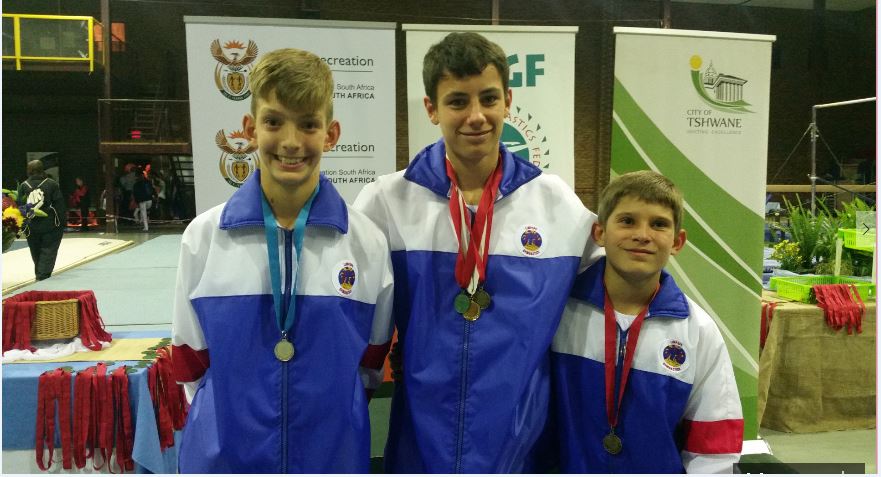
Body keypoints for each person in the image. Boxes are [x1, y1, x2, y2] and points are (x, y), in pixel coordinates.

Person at [353, 32, 600, 473]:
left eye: (488, 99)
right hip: (420, 442)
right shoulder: (387, 202)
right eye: (457, 101)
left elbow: (613, 289)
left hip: (521, 447)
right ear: (431, 109)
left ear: (507, 101)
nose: (476, 116)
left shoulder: (554, 203)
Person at [171, 48, 394, 473]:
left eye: (308, 124)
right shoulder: (204, 238)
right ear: (250, 129)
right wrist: (229, 422)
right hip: (226, 459)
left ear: (331, 134)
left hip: (332, 457)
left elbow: (370, 363)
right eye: (274, 122)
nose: (291, 142)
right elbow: (189, 363)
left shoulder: (366, 243)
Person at [550, 170, 743, 473]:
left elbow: (713, 448)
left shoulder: (698, 331)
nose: (642, 235)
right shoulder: (558, 312)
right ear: (599, 233)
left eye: (659, 224)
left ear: (677, 241)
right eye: (627, 221)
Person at [17, 159, 66, 280]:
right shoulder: (51, 184)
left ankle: (39, 273)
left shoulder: (23, 186)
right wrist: (61, 224)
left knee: (35, 251)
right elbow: (59, 205)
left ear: (28, 171)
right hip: (50, 224)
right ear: (42, 169)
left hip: (31, 225)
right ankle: (43, 275)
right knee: (49, 250)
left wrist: (22, 225)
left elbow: (20, 207)